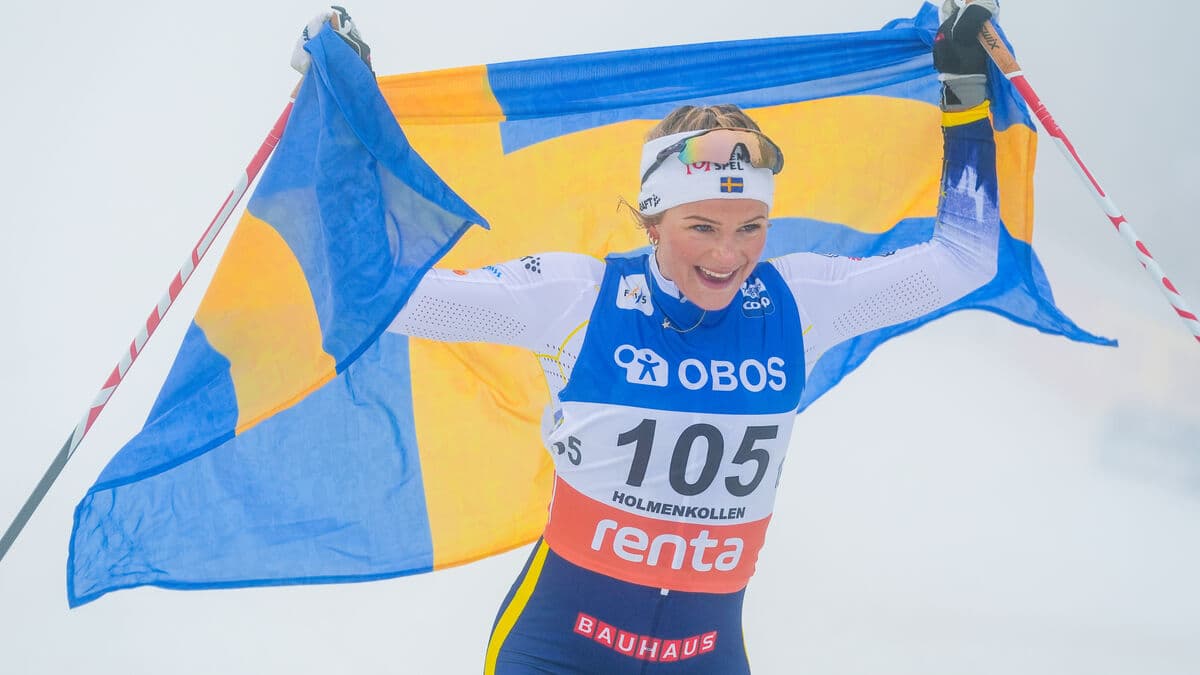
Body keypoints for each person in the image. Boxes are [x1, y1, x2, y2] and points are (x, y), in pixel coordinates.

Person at [296, 1, 1000, 671]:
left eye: (750, 227)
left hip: (704, 659)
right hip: (556, 652)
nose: (728, 255)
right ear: (652, 221)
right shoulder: (575, 297)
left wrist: (965, 93)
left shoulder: (798, 302)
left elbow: (964, 260)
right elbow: (377, 299)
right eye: (702, 227)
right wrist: (345, 120)